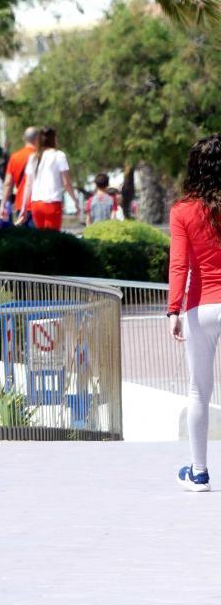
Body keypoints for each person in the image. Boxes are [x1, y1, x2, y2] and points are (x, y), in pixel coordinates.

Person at [168, 134, 221, 492]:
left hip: (201, 307)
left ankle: (199, 472)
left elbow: (179, 265)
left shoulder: (183, 211)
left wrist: (173, 309)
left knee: (200, 391)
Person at [17, 127, 79, 231]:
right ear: (54, 139)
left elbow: (28, 185)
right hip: (52, 203)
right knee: (52, 239)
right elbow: (66, 183)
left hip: (36, 204)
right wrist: (75, 201)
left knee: (41, 239)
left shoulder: (33, 157)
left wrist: (23, 208)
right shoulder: (59, 155)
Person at [0, 127, 38, 227]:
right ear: (37, 139)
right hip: (39, 204)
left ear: (24, 139)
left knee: (25, 239)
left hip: (21, 205)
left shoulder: (15, 157)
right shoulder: (40, 156)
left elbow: (8, 184)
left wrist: (2, 205)